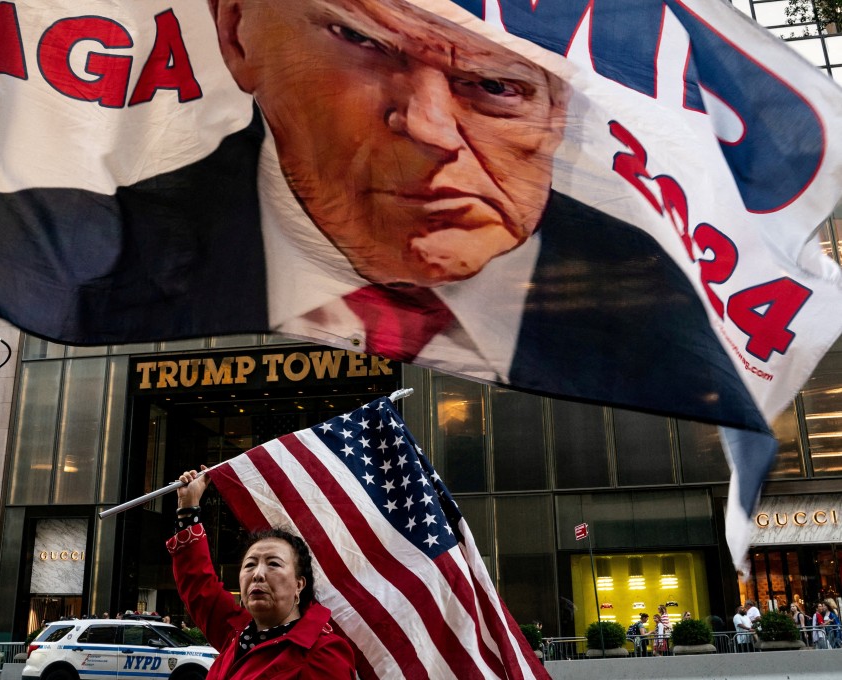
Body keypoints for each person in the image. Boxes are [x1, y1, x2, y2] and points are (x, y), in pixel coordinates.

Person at [208, 0, 767, 431]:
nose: (429, 126)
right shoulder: (133, 241)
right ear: (237, 28)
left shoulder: (658, 302)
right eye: (362, 40)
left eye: (496, 85)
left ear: (559, 111)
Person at [168, 467, 355, 678]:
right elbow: (199, 586)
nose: (257, 574)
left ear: (299, 584)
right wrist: (187, 508)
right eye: (249, 565)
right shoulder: (237, 633)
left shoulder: (322, 655)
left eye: (273, 564)